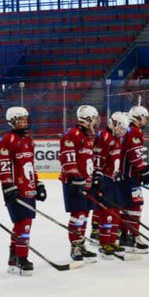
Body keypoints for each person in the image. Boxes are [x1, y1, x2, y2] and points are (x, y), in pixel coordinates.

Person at [0, 107, 46, 276]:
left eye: (26, 118)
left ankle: (14, 258)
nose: (25, 121)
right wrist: (8, 185)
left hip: (29, 188)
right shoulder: (6, 140)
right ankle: (22, 258)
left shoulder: (29, 140)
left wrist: (37, 184)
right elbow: (1, 166)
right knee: (23, 224)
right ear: (13, 121)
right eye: (21, 119)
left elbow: (31, 165)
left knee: (22, 224)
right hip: (16, 189)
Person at [59, 105, 99, 263]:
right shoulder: (72, 134)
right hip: (74, 183)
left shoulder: (87, 136)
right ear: (88, 119)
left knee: (85, 214)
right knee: (78, 214)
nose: (96, 121)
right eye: (94, 118)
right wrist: (75, 176)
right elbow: (67, 158)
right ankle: (75, 246)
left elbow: (88, 161)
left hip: (86, 182)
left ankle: (81, 244)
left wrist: (94, 176)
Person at [90, 111, 129, 258]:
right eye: (120, 127)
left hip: (113, 179)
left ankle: (112, 240)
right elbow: (98, 159)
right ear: (113, 124)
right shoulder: (104, 137)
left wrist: (117, 172)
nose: (122, 131)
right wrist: (98, 175)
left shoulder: (116, 138)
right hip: (105, 180)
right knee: (107, 211)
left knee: (116, 210)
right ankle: (104, 242)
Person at [120, 105, 149, 253]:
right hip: (129, 176)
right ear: (138, 117)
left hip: (125, 176)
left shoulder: (128, 129)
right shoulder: (134, 131)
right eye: (145, 117)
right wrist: (143, 170)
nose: (146, 120)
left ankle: (124, 236)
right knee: (135, 205)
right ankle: (133, 236)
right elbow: (135, 156)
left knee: (127, 206)